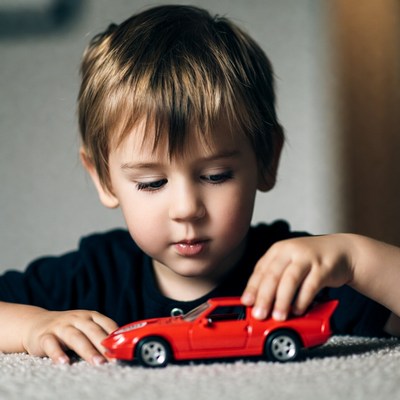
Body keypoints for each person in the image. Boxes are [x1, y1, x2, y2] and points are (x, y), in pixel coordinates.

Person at [1, 5, 399, 367]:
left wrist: (356, 259)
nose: (186, 208)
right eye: (152, 182)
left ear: (267, 159)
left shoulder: (302, 278)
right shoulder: (93, 274)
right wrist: (34, 326)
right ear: (104, 179)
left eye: (215, 176)